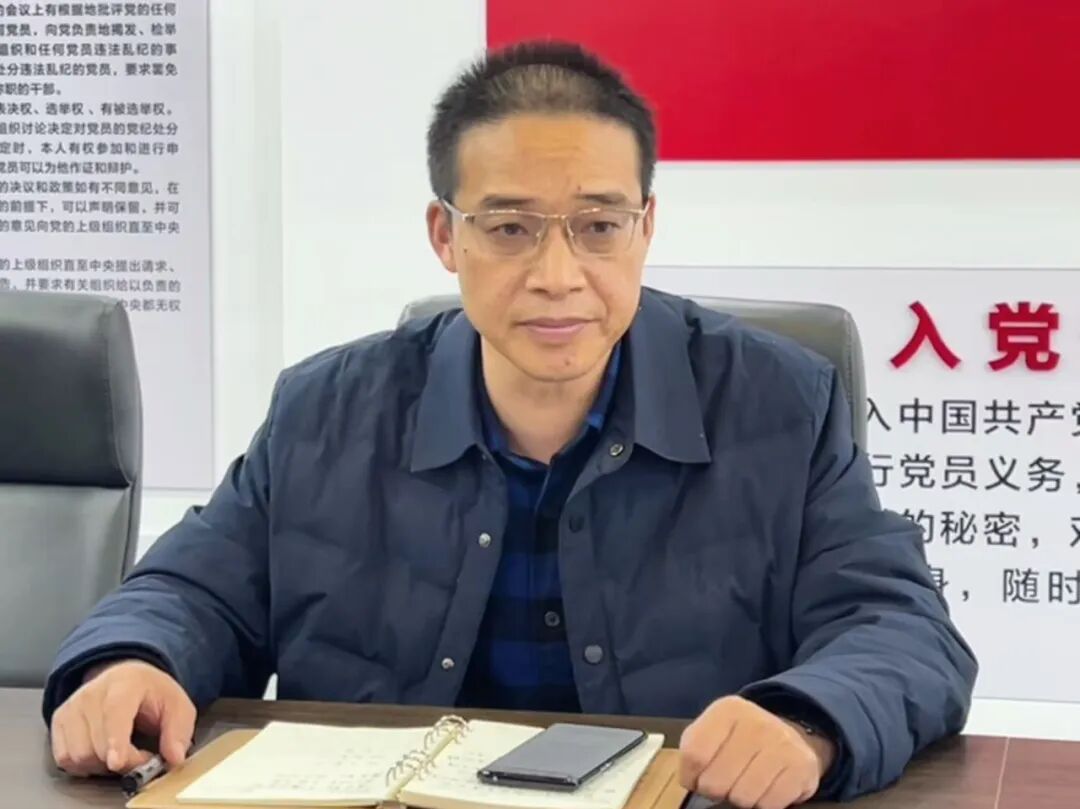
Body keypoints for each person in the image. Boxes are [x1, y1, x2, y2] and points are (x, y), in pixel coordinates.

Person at [44, 41, 976, 809]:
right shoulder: (326, 410)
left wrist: (810, 722)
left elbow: (898, 625)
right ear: (445, 235)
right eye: (510, 228)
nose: (558, 275)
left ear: (646, 226)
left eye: (599, 226)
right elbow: (193, 589)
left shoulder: (777, 404)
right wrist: (131, 661)